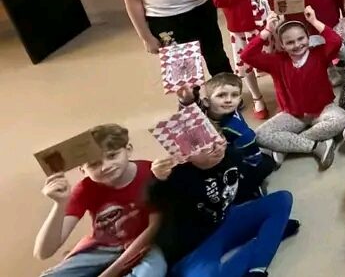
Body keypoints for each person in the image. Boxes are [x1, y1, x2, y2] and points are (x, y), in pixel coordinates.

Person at [148, 141, 297, 277]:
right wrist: (159, 178)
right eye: (206, 147)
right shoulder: (178, 175)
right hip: (194, 247)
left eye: (218, 140)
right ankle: (269, 237)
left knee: (282, 199)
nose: (216, 148)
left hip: (226, 220)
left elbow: (252, 179)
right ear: (186, 155)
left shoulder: (230, 155)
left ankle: (258, 265)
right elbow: (155, 196)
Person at [34, 124, 166, 277]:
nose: (105, 167)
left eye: (112, 156)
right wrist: (59, 204)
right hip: (102, 248)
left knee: (151, 272)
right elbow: (43, 252)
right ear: (82, 170)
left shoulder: (150, 173)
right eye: (94, 164)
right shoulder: (85, 189)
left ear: (128, 150)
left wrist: (109, 273)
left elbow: (154, 227)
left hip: (147, 245)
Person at [241, 7, 345, 170]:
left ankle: (287, 146)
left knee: (341, 119)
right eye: (290, 42)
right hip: (293, 114)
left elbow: (335, 41)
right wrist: (267, 31)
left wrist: (314, 21)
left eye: (301, 39)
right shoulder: (277, 62)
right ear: (282, 45)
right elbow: (246, 55)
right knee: (260, 135)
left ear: (308, 37)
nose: (297, 45)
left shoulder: (319, 54)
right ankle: (316, 146)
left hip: (322, 109)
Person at [178, 73, 276, 199]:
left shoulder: (238, 131)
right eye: (221, 95)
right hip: (213, 154)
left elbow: (252, 159)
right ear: (207, 102)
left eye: (234, 95)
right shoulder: (204, 110)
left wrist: (247, 176)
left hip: (236, 158)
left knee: (264, 165)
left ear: (239, 100)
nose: (228, 100)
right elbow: (189, 113)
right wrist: (186, 100)